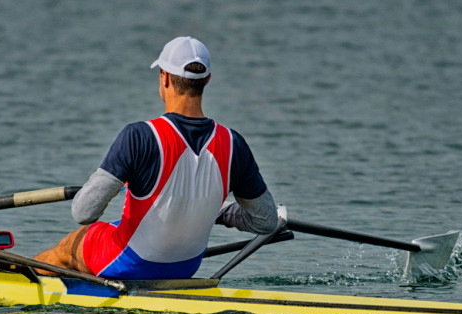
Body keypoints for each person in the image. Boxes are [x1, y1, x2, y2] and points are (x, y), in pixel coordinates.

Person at [35, 36, 279, 280]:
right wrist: (218, 210)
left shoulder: (139, 136)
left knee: (73, 244)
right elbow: (266, 222)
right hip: (186, 266)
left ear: (164, 77)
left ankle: (17, 278)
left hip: (128, 262)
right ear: (207, 80)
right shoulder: (234, 144)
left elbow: (83, 212)